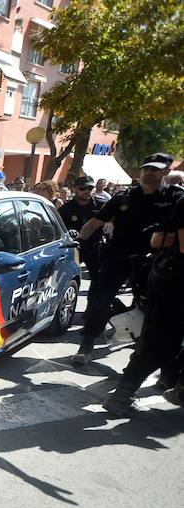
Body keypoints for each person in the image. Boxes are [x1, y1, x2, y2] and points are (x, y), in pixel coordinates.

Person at [71, 153, 181, 366]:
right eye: (146, 169)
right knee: (101, 299)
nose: (149, 173)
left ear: (166, 171)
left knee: (150, 308)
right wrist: (75, 240)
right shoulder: (124, 197)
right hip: (118, 256)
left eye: (155, 169)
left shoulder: (174, 198)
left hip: (153, 261)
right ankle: (87, 343)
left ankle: (140, 351)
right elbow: (94, 223)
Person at [103, 184, 184, 416]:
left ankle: (171, 384)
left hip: (168, 276)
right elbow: (162, 241)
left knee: (160, 340)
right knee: (160, 341)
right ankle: (122, 395)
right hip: (175, 282)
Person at [58, 176, 103, 302]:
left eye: (90, 188)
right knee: (66, 278)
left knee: (98, 279)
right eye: (83, 188)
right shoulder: (66, 209)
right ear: (75, 189)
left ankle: (91, 308)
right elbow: (58, 228)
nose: (87, 191)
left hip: (95, 247)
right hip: (75, 249)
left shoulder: (100, 206)